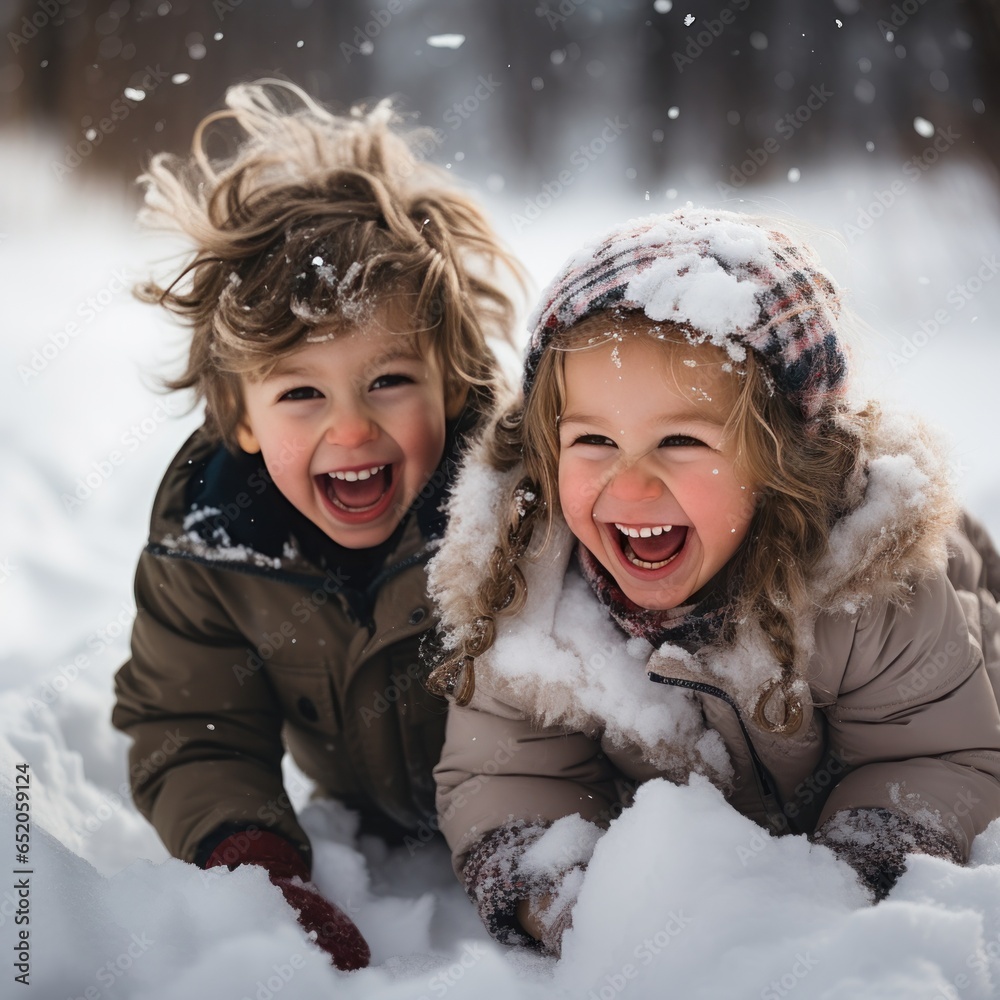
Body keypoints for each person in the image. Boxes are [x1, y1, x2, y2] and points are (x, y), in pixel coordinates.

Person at [426, 208, 1000, 956]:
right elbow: (504, 780)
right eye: (593, 441)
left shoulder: (869, 588)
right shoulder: (527, 596)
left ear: (781, 463)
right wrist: (569, 903)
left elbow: (931, 757)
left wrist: (848, 879)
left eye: (681, 441)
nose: (630, 486)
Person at [112, 79, 522, 970]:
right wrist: (252, 862)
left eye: (388, 381)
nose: (351, 429)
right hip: (372, 819)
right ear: (244, 421)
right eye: (301, 392)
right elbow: (190, 723)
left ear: (451, 387)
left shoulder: (520, 509)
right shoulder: (213, 545)